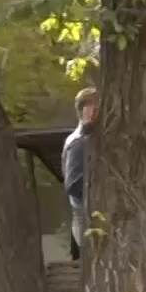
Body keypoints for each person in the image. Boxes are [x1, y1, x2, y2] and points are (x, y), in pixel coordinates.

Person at [64, 87, 99, 259]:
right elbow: (74, 184)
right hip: (88, 225)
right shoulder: (78, 142)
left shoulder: (88, 140)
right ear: (88, 110)